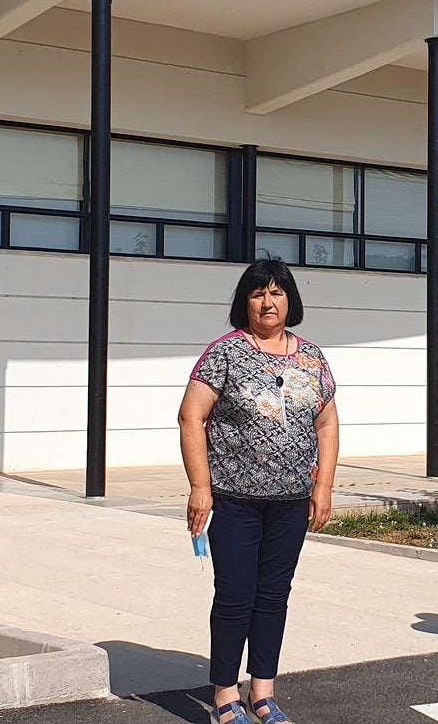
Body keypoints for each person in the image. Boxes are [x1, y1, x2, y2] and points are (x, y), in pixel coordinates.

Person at [178, 259, 340, 724]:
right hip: (235, 500)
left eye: (277, 293)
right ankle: (225, 695)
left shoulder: (312, 357)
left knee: (273, 596)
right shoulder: (225, 353)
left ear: (290, 301)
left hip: (291, 502)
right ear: (244, 302)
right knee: (235, 595)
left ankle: (262, 692)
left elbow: (326, 423)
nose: (268, 303)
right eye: (257, 293)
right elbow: (191, 416)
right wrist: (200, 487)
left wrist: (324, 485)